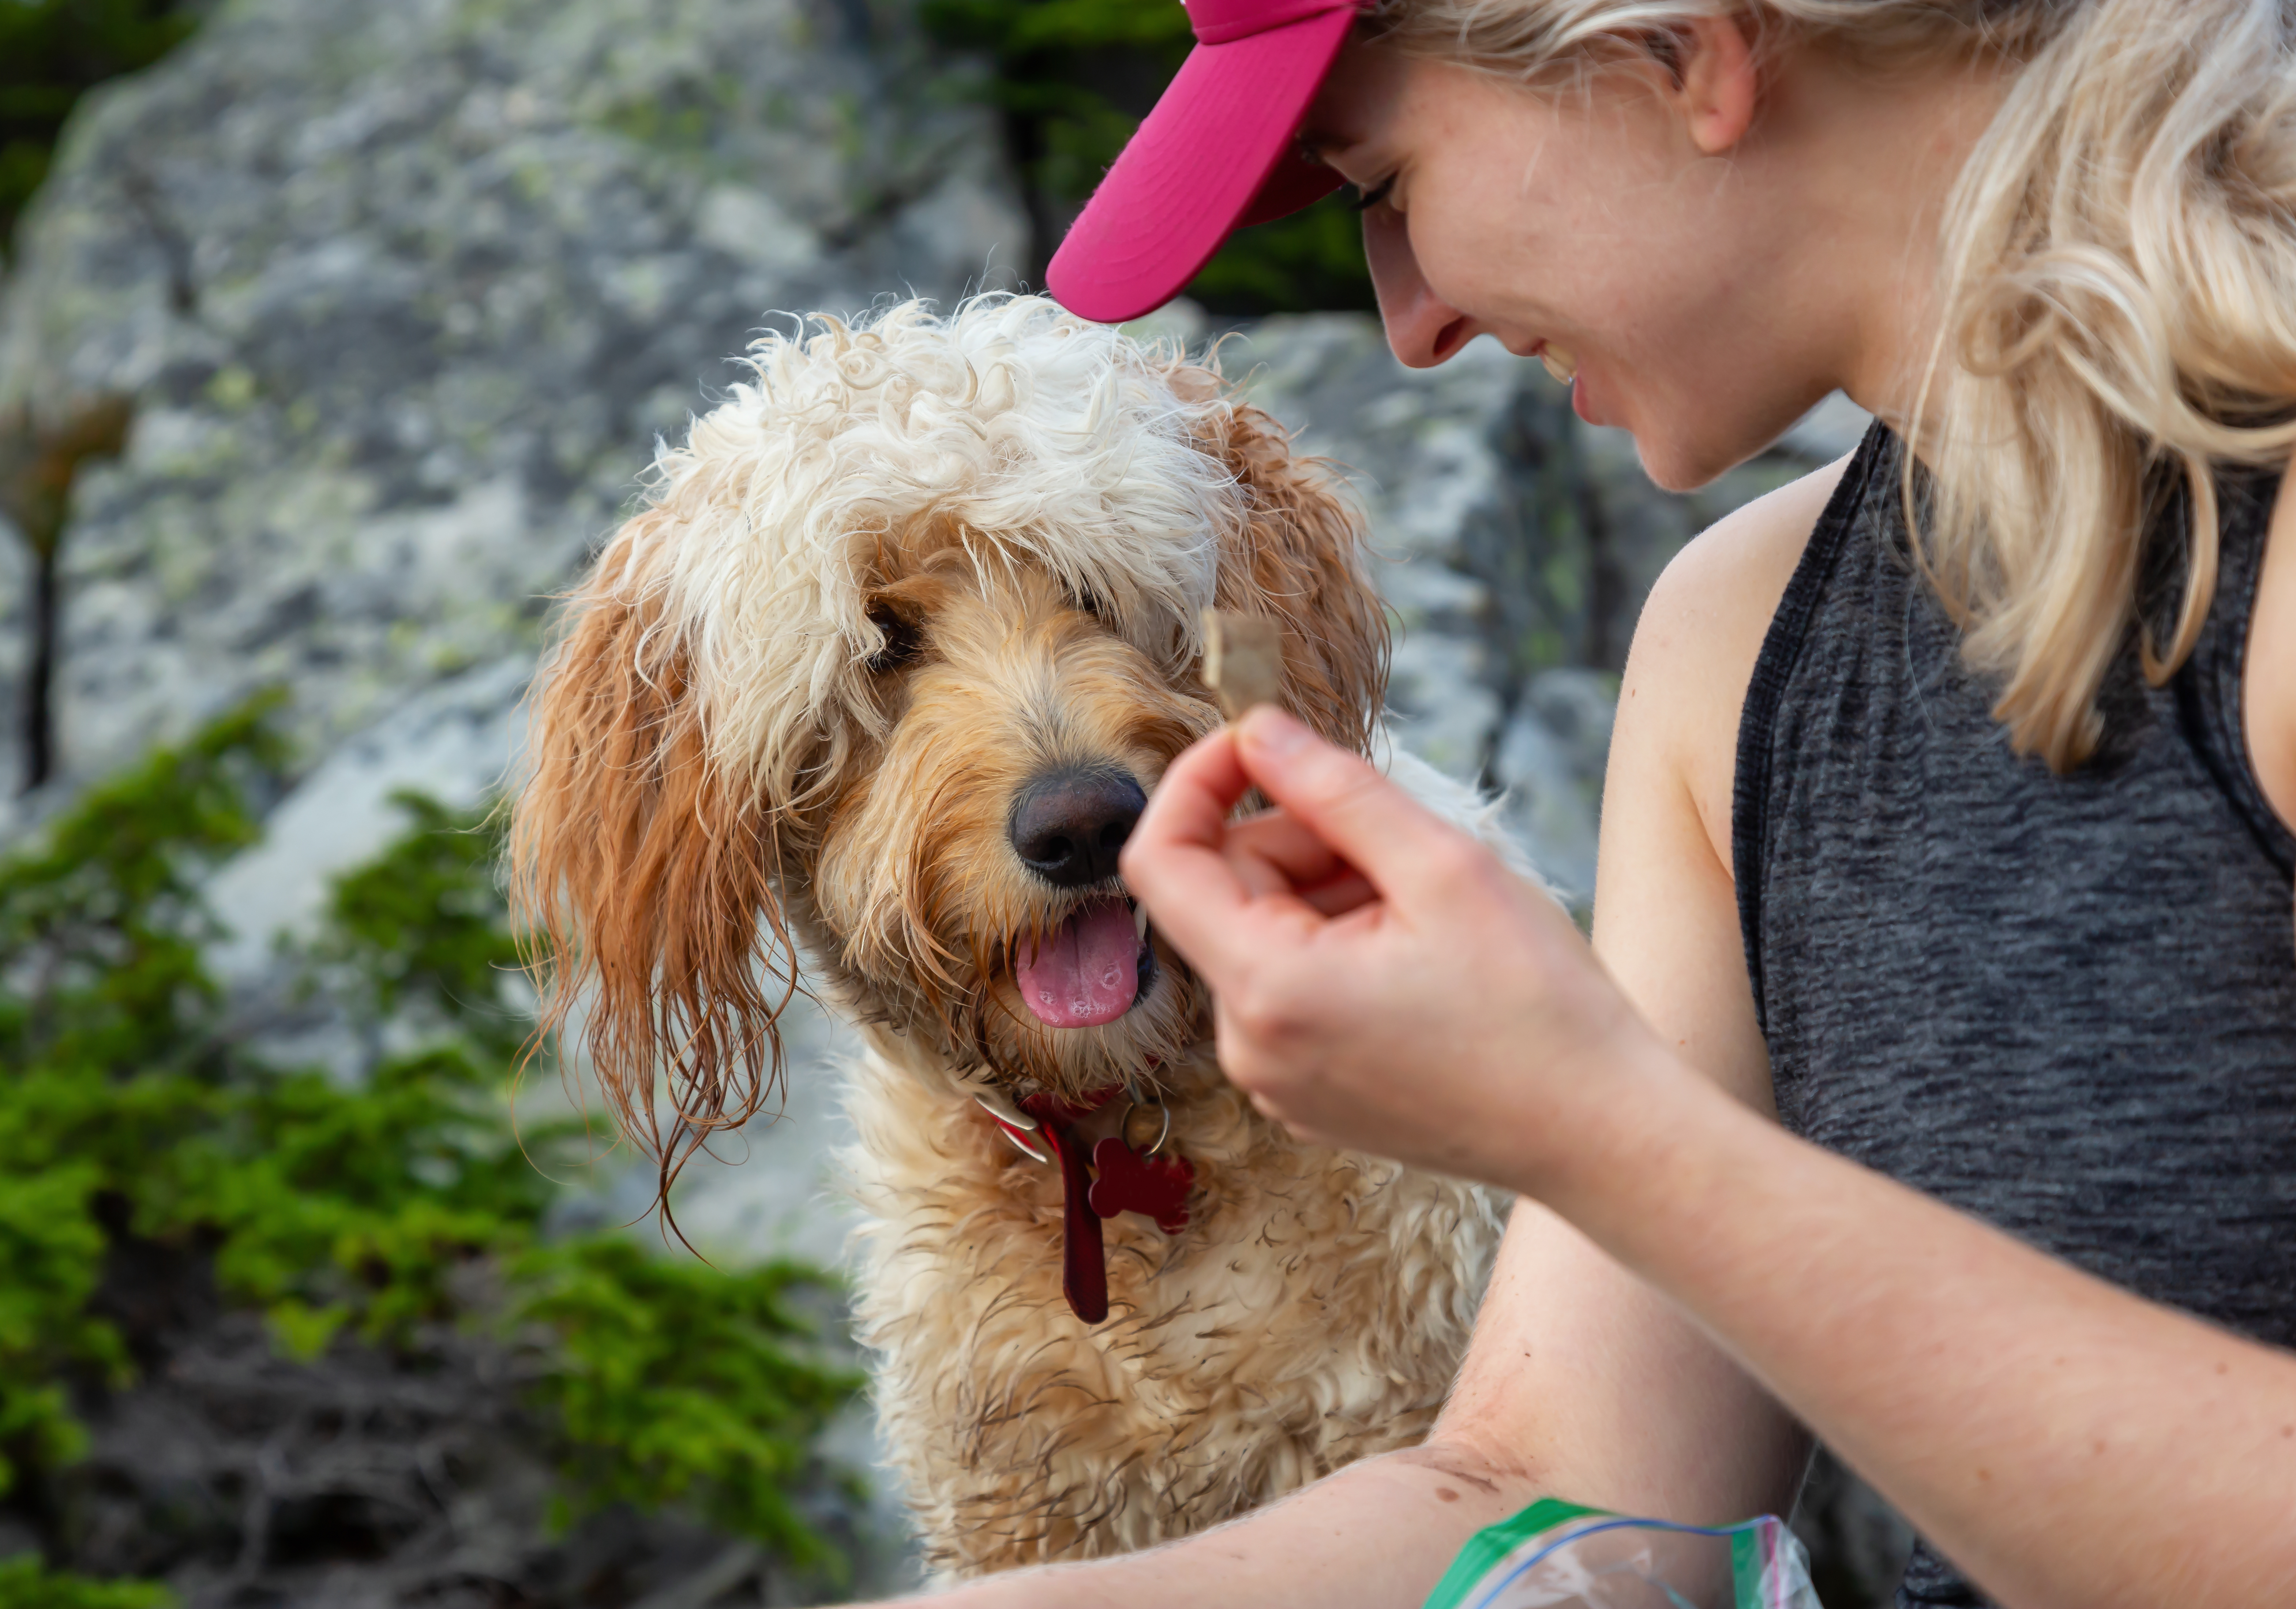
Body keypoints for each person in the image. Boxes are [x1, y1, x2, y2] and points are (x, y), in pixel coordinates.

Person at [867, 2, 2296, 1604]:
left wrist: (1585, 1123)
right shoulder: (1733, 647)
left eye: (1385, 183)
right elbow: (1553, 1492)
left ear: (1685, 50)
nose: (1409, 323)